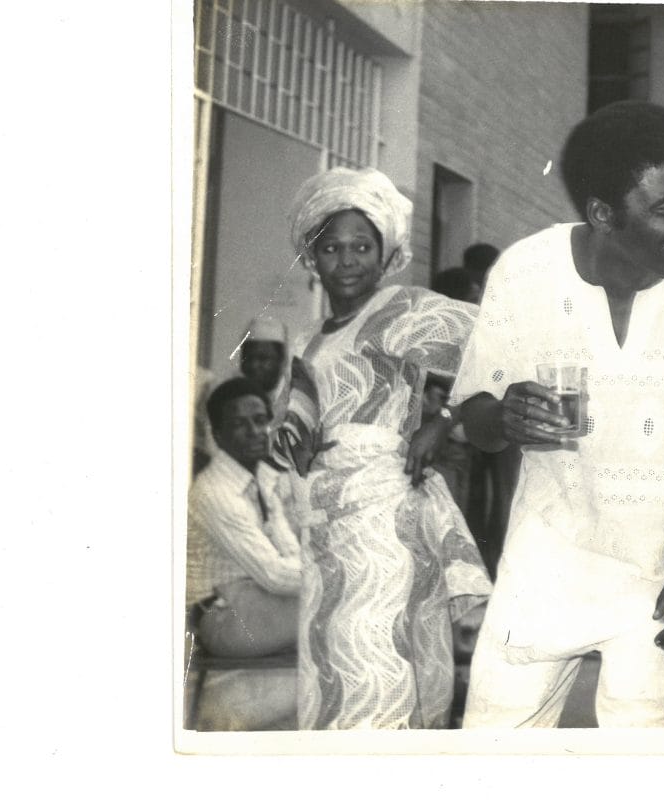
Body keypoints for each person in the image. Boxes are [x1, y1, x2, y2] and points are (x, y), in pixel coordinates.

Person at [453, 100, 664, 728]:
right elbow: (476, 415)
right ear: (602, 214)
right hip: (546, 563)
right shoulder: (525, 273)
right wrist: (505, 416)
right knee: (493, 753)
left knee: (635, 772)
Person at [278, 167, 492, 729]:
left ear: (385, 253)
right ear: (312, 257)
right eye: (331, 248)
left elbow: (499, 345)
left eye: (361, 246)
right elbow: (294, 436)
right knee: (330, 676)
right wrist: (297, 443)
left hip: (383, 530)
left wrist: (441, 419)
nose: (346, 260)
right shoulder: (308, 341)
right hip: (325, 531)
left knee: (377, 674)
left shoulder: (397, 309)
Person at [186, 377, 300, 729]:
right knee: (337, 611)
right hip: (221, 618)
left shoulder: (260, 478)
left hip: (252, 598)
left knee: (339, 609)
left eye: (260, 420)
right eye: (239, 424)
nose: (255, 431)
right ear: (218, 435)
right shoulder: (215, 491)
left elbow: (289, 553)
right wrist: (334, 572)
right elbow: (278, 576)